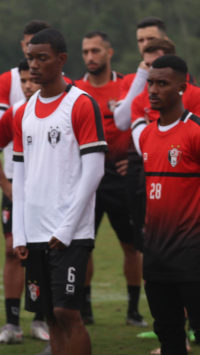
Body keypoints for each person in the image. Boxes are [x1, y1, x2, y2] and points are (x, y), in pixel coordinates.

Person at [12, 28, 106, 355]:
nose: (34, 65)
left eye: (42, 58)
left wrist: (67, 228)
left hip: (70, 233)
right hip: (34, 233)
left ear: (61, 60)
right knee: (50, 316)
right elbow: (18, 176)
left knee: (69, 312)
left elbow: (94, 170)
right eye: (30, 58)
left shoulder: (81, 104)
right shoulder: (24, 112)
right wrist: (20, 233)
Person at [136, 54, 200, 355]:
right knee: (169, 333)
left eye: (162, 83)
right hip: (157, 258)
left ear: (181, 87)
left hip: (192, 255)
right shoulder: (146, 136)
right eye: (151, 82)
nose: (154, 90)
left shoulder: (195, 132)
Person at [73, 31, 146, 327]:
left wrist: (135, 159)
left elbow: (142, 117)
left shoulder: (127, 84)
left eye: (96, 51)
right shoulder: (76, 89)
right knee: (83, 243)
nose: (90, 57)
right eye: (86, 51)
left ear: (109, 53)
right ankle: (86, 308)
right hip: (87, 179)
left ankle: (133, 310)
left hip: (120, 177)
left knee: (132, 245)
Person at [0, 59, 50, 345]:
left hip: (48, 195)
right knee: (13, 251)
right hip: (16, 193)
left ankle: (41, 320)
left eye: (31, 80)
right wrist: (5, 184)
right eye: (23, 81)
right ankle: (12, 324)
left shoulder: (58, 112)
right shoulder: (14, 113)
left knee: (45, 253)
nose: (26, 86)